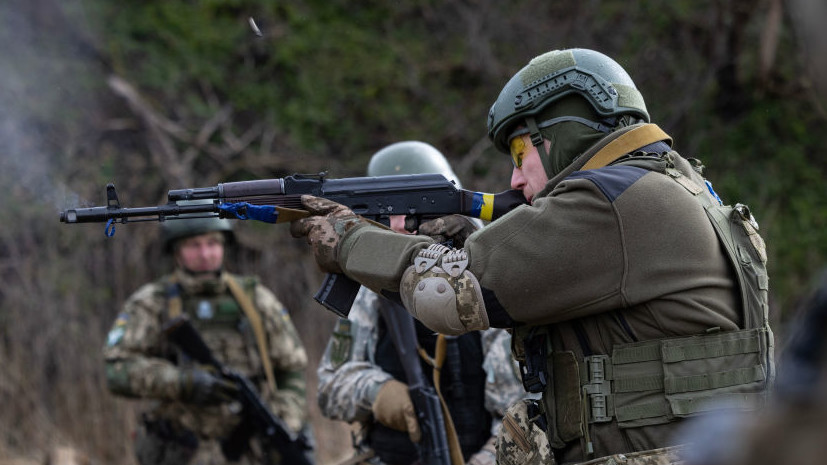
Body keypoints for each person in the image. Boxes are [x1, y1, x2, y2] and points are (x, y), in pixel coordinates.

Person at [290, 48, 774, 465]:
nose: (516, 179)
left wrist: (350, 240)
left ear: (563, 134)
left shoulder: (613, 202)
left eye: (521, 152)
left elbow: (450, 292)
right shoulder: (679, 188)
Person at [316, 141, 525, 465]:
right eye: (386, 213)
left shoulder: (488, 286)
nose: (399, 225)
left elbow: (521, 407)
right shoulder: (370, 296)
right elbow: (330, 384)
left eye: (412, 212)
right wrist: (381, 394)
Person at [103, 213, 310, 465]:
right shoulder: (151, 303)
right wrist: (182, 382)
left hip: (249, 449)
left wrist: (283, 419)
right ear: (176, 251)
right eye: (194, 245)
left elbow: (291, 369)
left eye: (212, 244)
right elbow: (117, 370)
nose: (205, 254)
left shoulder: (256, 299)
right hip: (181, 448)